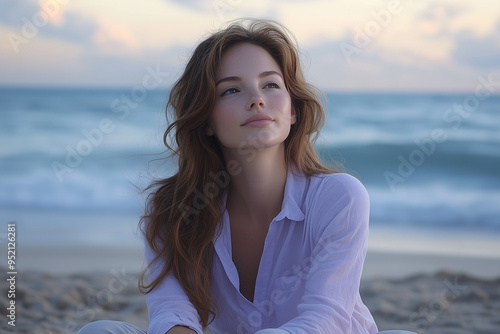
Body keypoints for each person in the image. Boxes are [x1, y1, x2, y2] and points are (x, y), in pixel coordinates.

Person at [77, 19, 415, 334]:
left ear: (293, 110)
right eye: (231, 91)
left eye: (270, 84)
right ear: (206, 120)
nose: (256, 100)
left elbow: (324, 320)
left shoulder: (339, 197)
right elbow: (172, 315)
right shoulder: (173, 209)